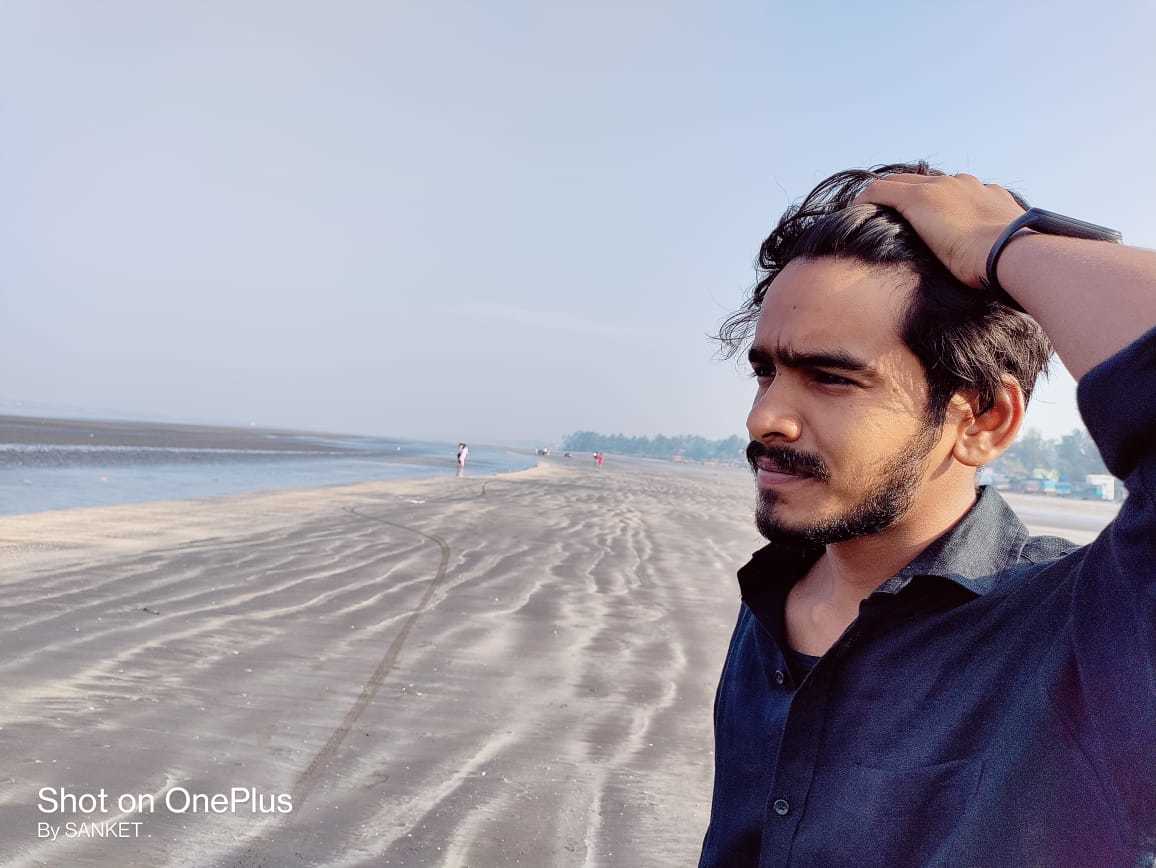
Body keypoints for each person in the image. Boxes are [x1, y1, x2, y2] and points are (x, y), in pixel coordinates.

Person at [699, 162, 1156, 866]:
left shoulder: (1089, 634)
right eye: (767, 371)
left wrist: (1006, 243)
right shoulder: (774, 595)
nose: (766, 418)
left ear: (984, 419)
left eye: (831, 378)